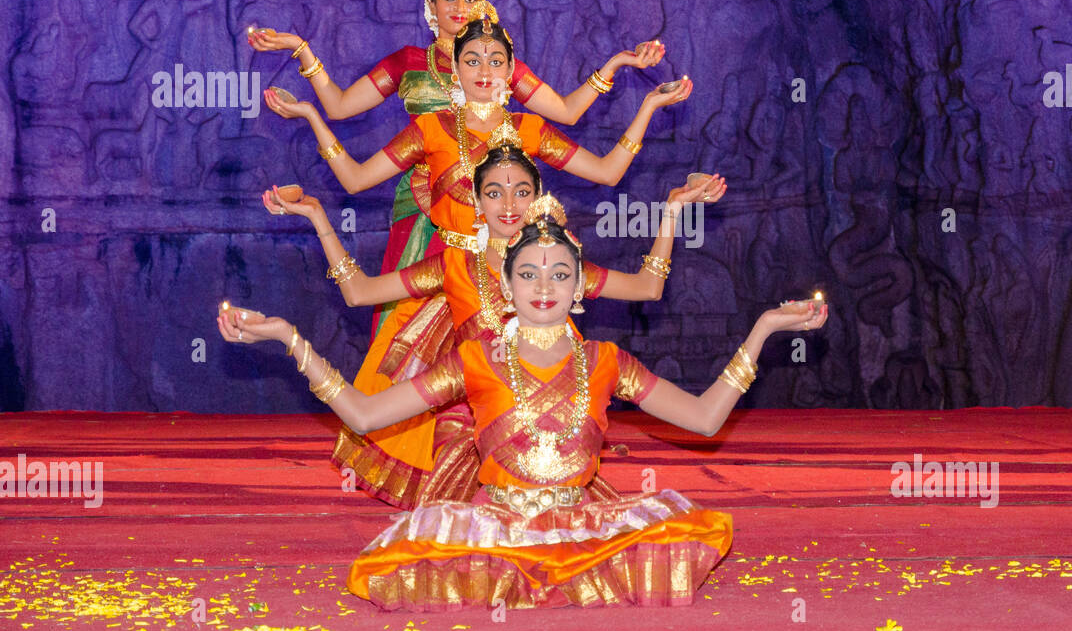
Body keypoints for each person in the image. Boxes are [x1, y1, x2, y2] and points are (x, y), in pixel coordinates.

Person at [217, 218, 828, 610]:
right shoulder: (474, 360)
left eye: (560, 273)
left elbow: (703, 420)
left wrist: (765, 328)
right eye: (529, 273)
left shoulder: (606, 359)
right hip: (495, 535)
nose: (544, 284)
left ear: (579, 288)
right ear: (507, 286)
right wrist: (290, 339)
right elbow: (367, 414)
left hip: (586, 531)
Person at [260, 147, 726, 507]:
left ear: (538, 195)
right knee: (467, 535)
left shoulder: (559, 261)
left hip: (557, 406)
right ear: (477, 202)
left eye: (522, 191)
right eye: (494, 193)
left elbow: (646, 287)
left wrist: (671, 213)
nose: (509, 205)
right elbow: (359, 292)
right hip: (471, 413)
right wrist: (319, 218)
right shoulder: (454, 266)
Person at [248, 0, 665, 335]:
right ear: (430, 6)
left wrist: (617, 70)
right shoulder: (411, 67)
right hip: (424, 210)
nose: (460, 6)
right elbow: (339, 111)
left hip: (502, 217)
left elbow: (572, 117)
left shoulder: (516, 102)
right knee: (406, 319)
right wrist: (303, 54)